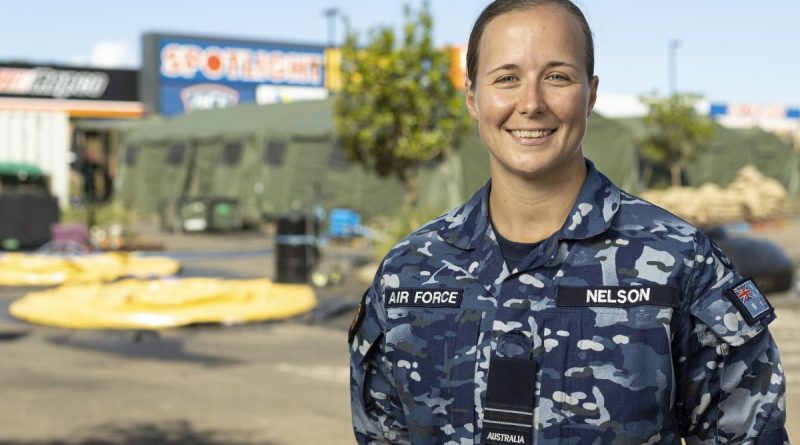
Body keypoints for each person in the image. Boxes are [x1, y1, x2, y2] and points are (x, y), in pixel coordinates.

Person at [348, 0, 789, 443]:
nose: (532, 103)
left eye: (557, 77)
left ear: (591, 93)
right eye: (506, 79)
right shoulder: (408, 272)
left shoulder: (681, 262)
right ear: (472, 98)